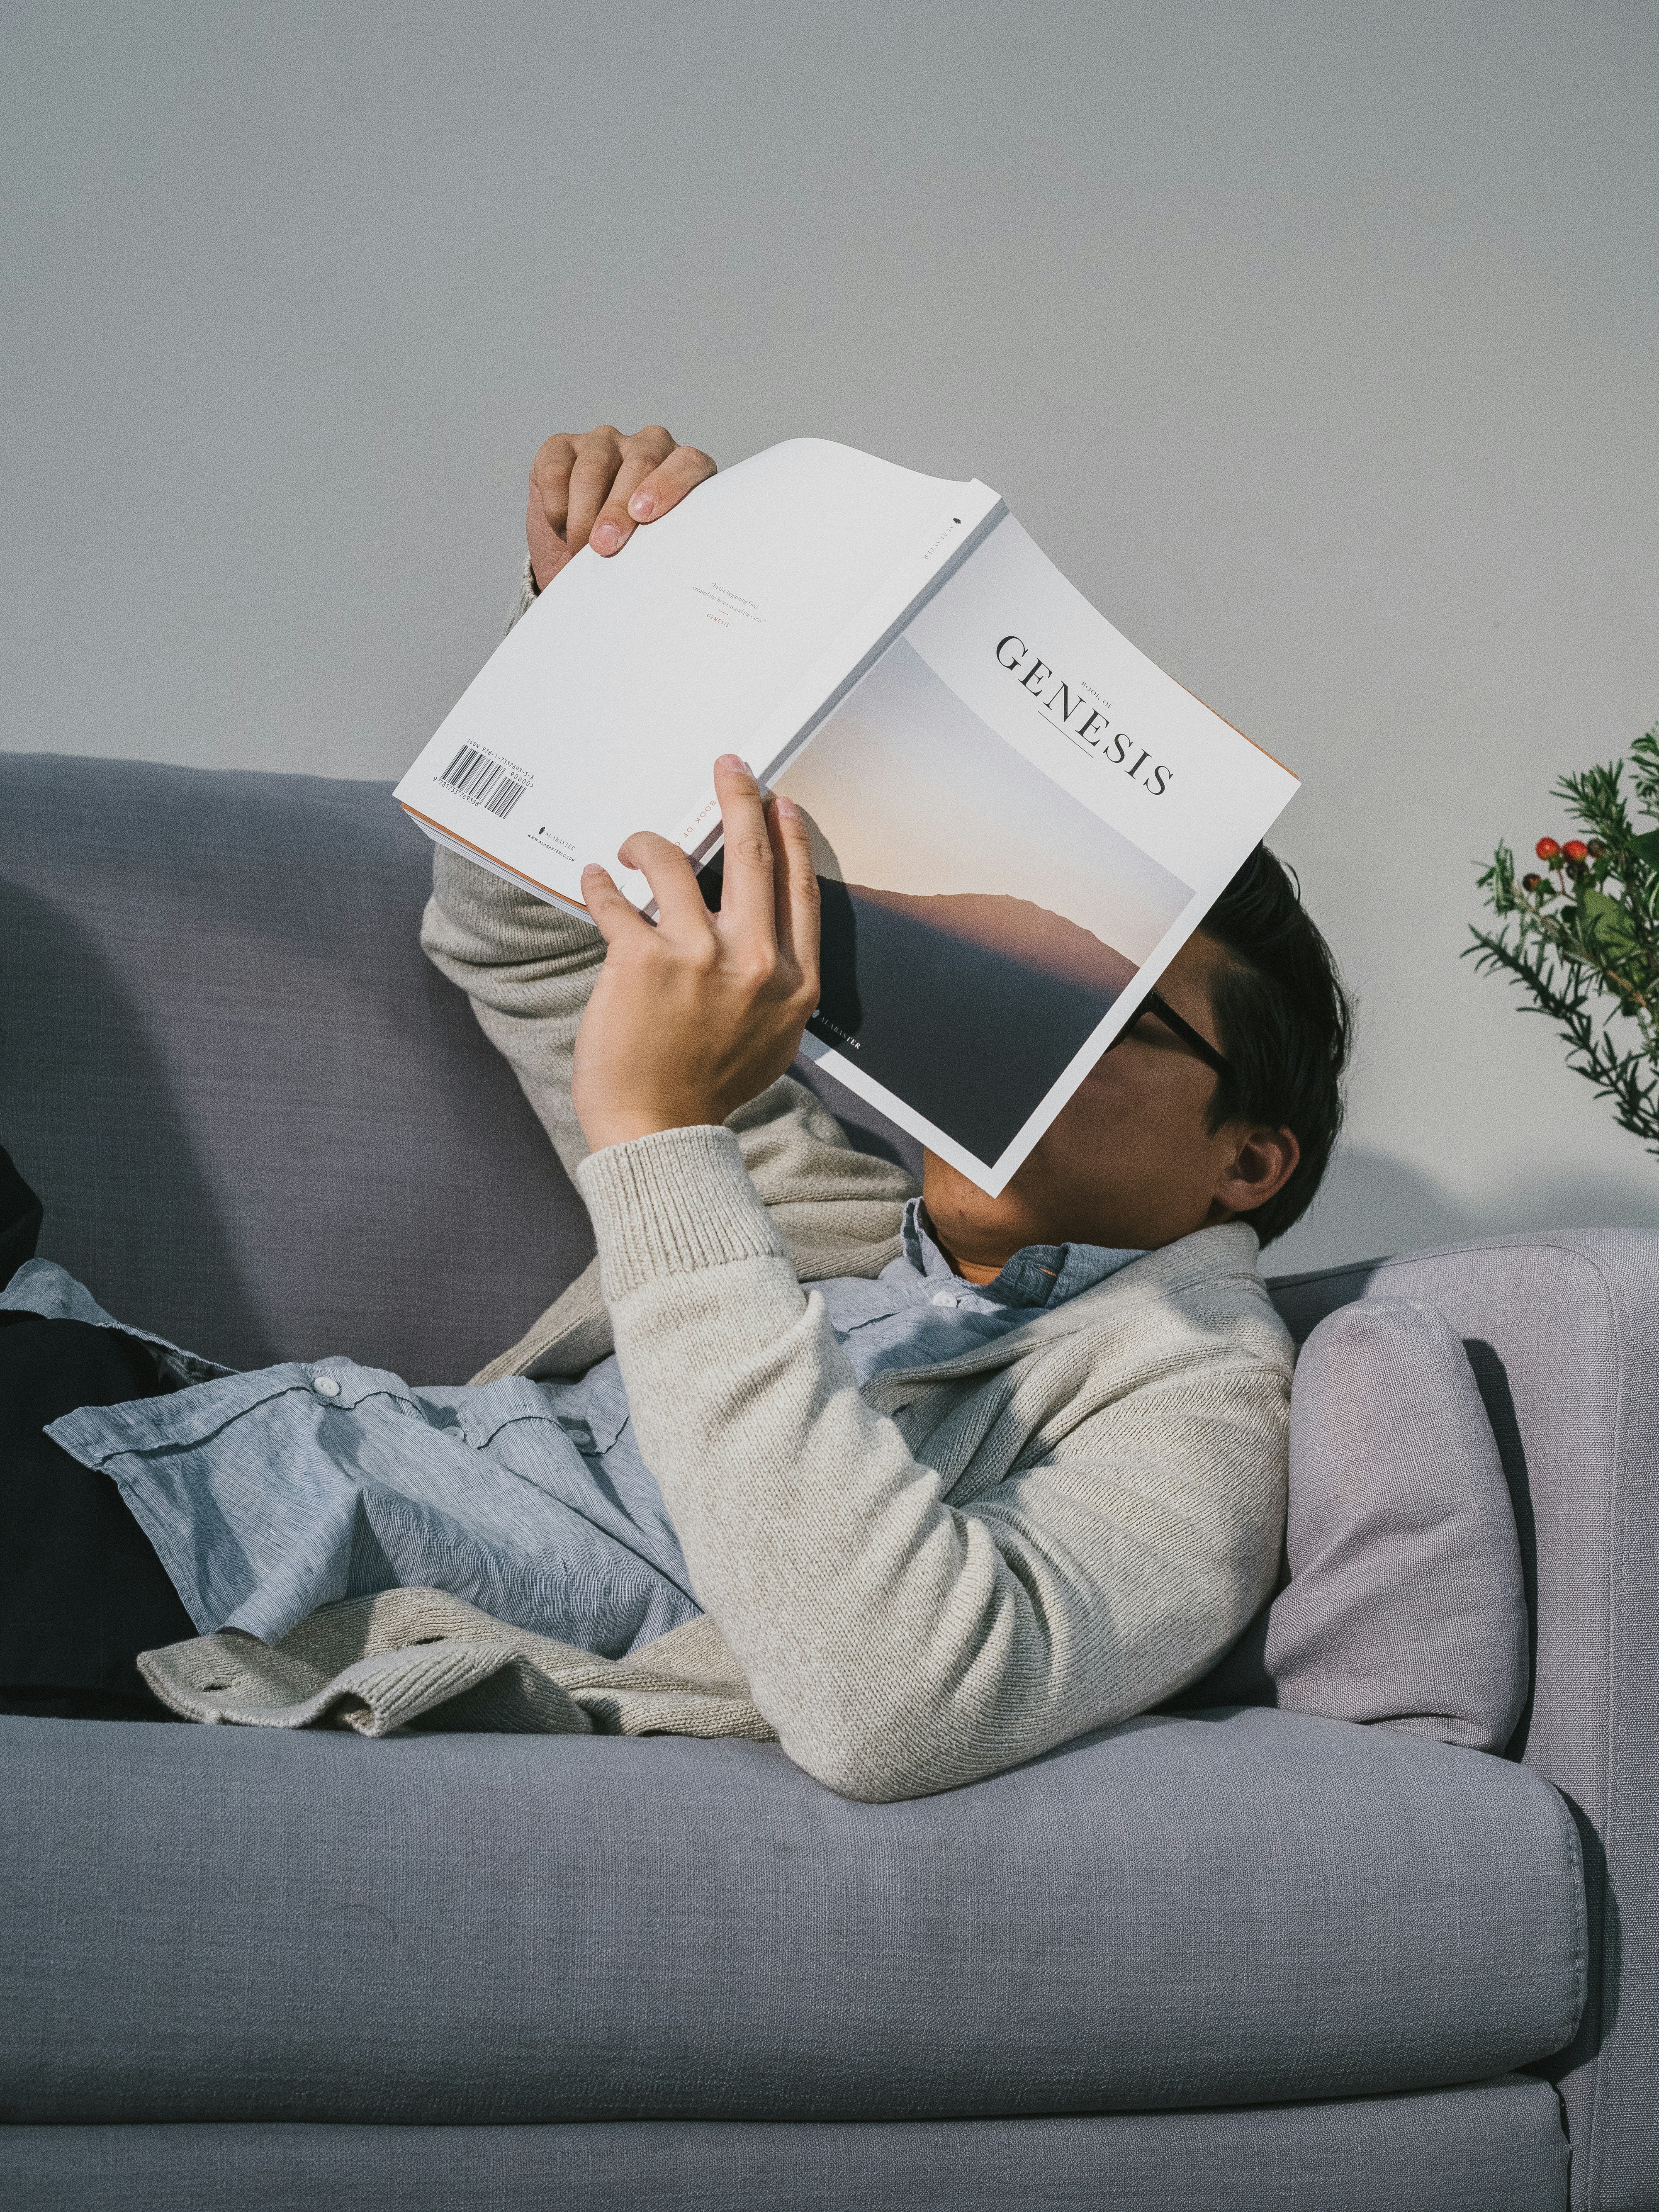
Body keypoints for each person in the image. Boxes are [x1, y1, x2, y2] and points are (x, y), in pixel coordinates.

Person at [0, 424, 1352, 1801]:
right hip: (118, 1392)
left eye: (1104, 1012)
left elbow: (903, 1704)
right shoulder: (841, 1216)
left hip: (168, 1561)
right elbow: (522, 946)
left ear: (1249, 1159)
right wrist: (608, 632)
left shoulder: (1197, 1396)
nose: (1021, 1041)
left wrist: (663, 1139)